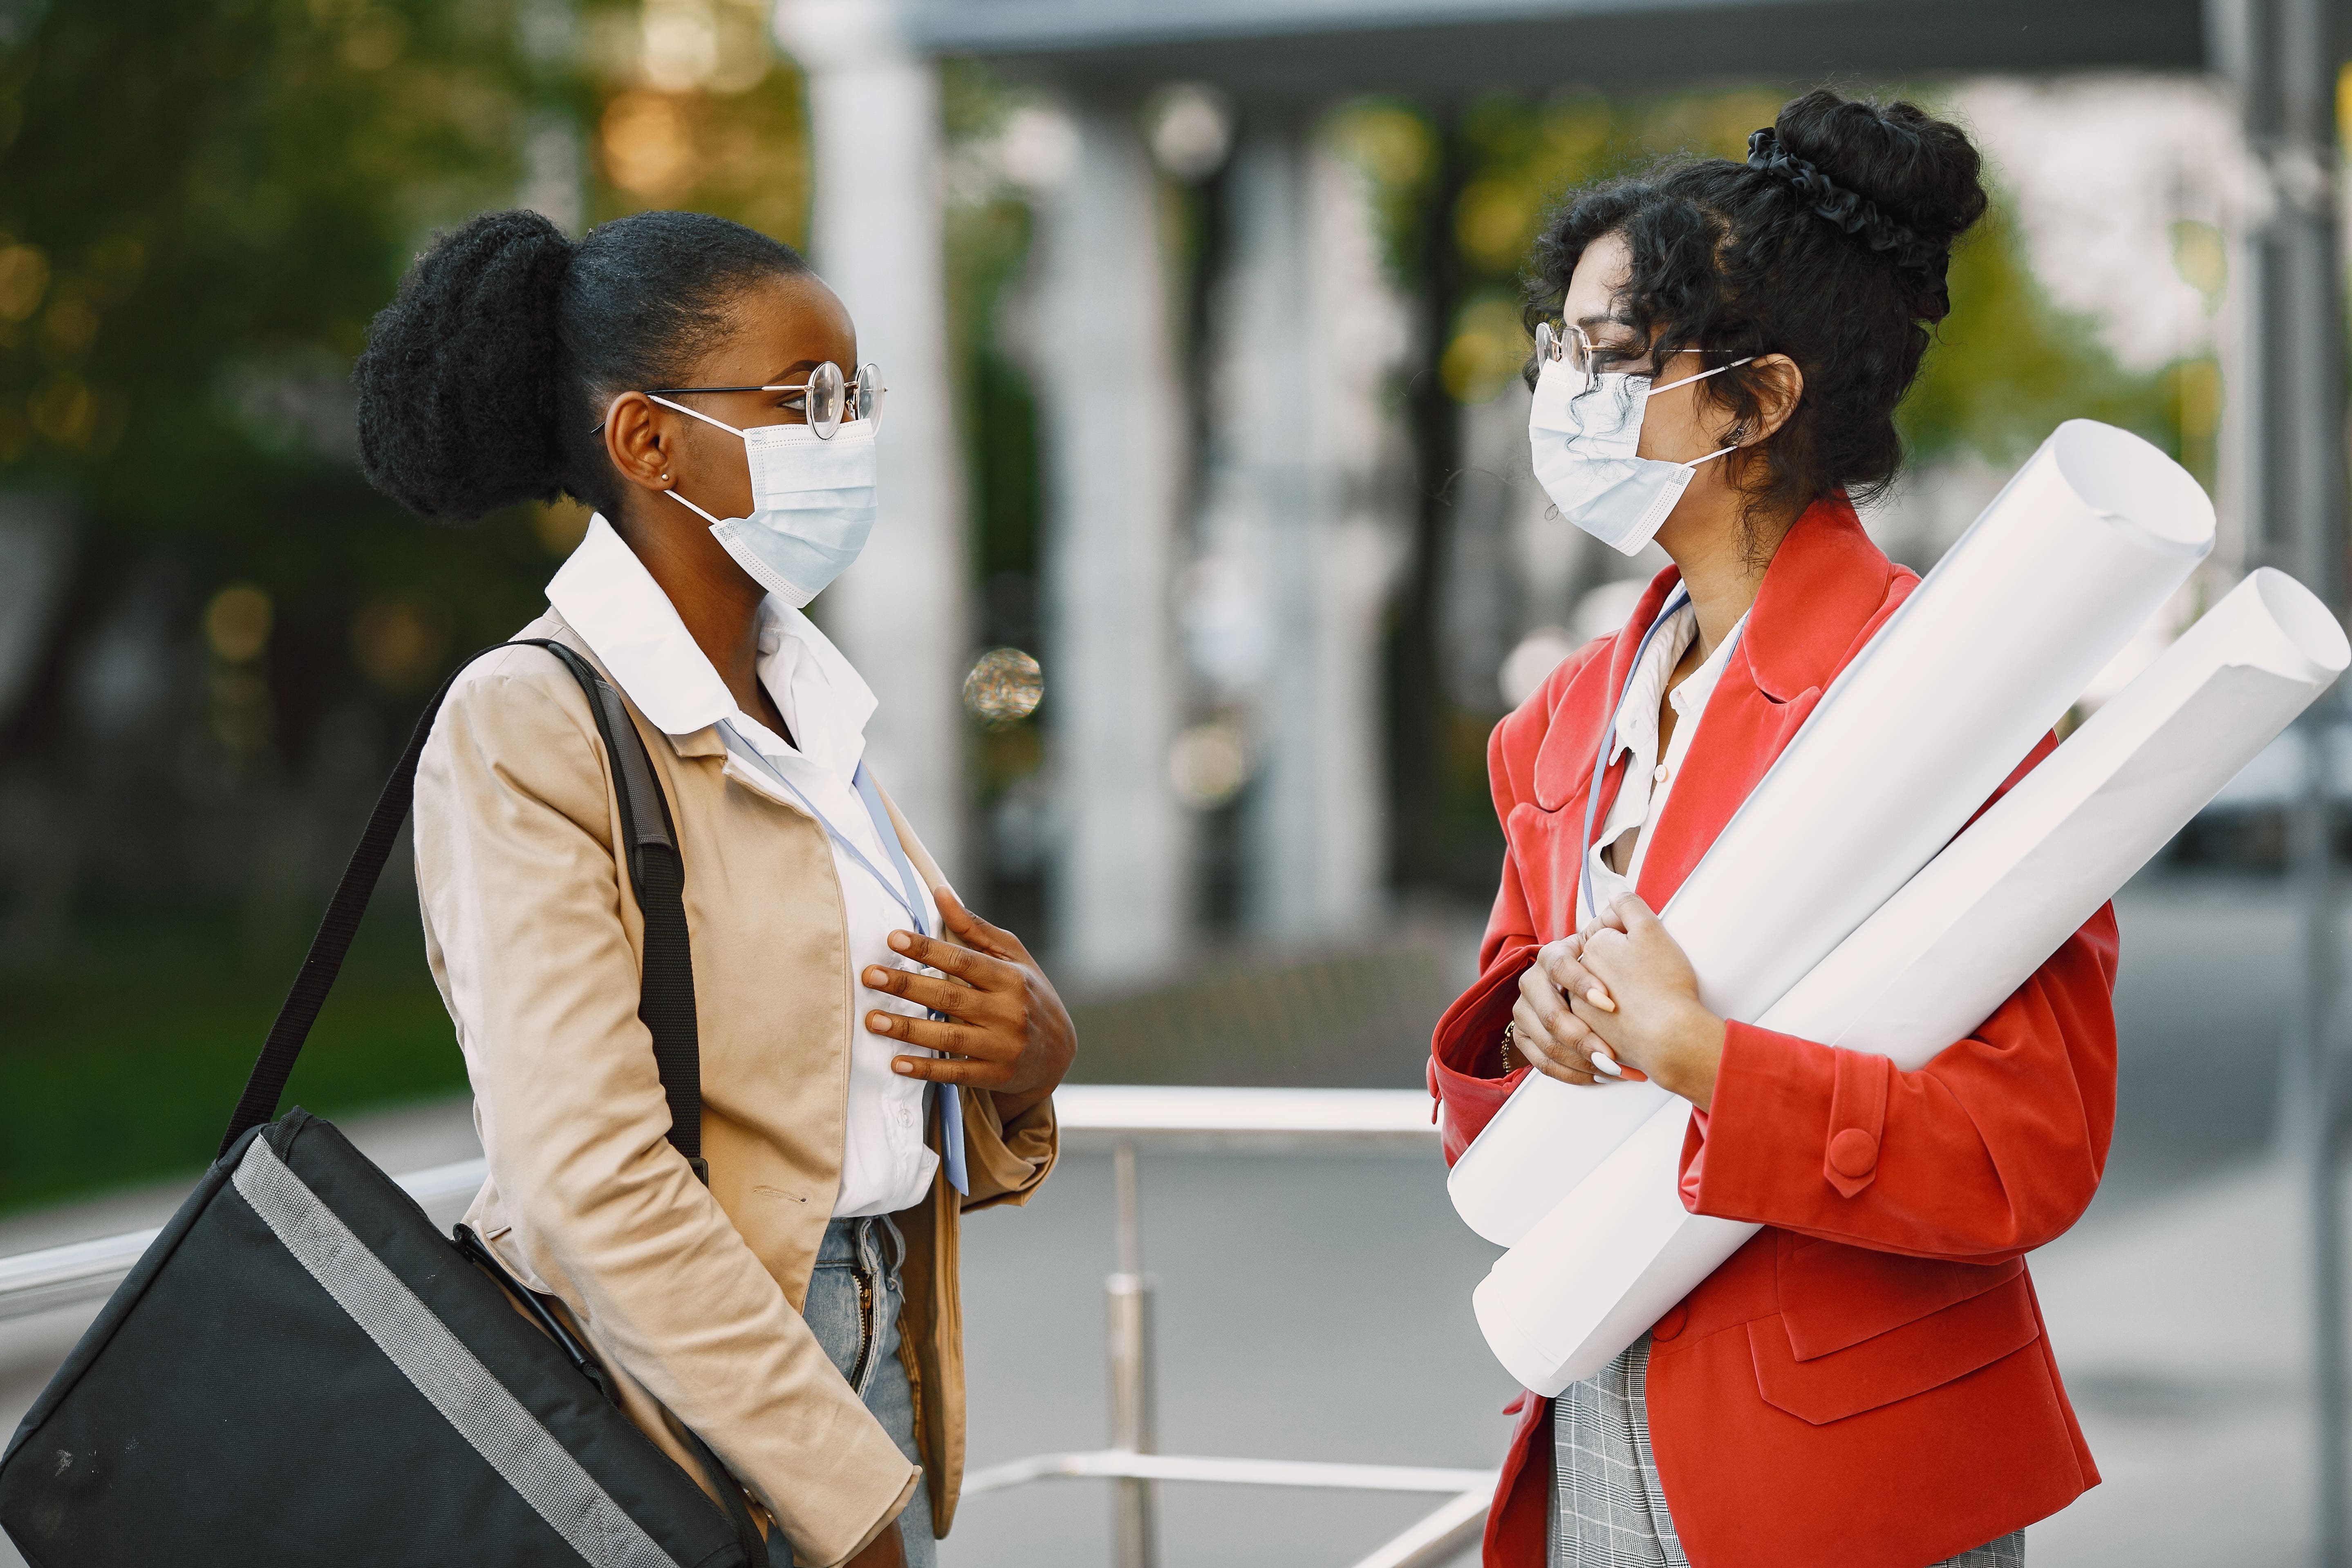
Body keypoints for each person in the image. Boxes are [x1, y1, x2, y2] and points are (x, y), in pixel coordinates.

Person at [1427, 92, 2115, 1567]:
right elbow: (1484, 1068)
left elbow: (2026, 1151)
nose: (1559, 393)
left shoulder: (1949, 697)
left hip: (1855, 1454)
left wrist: (1706, 1062)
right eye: (1560, 349)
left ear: (1753, 404)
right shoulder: (1559, 718)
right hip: (1599, 1387)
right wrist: (1529, 1015)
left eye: (1609, 360)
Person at [352, 208, 1074, 1568]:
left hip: (875, 1334)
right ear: (646, 439)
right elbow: (586, 1174)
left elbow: (868, 1059)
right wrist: (838, 1494)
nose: (850, 431)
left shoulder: (806, 706)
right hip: (684, 1386)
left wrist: (1027, 1060)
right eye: (807, 397)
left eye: (857, 393)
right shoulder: (528, 718)